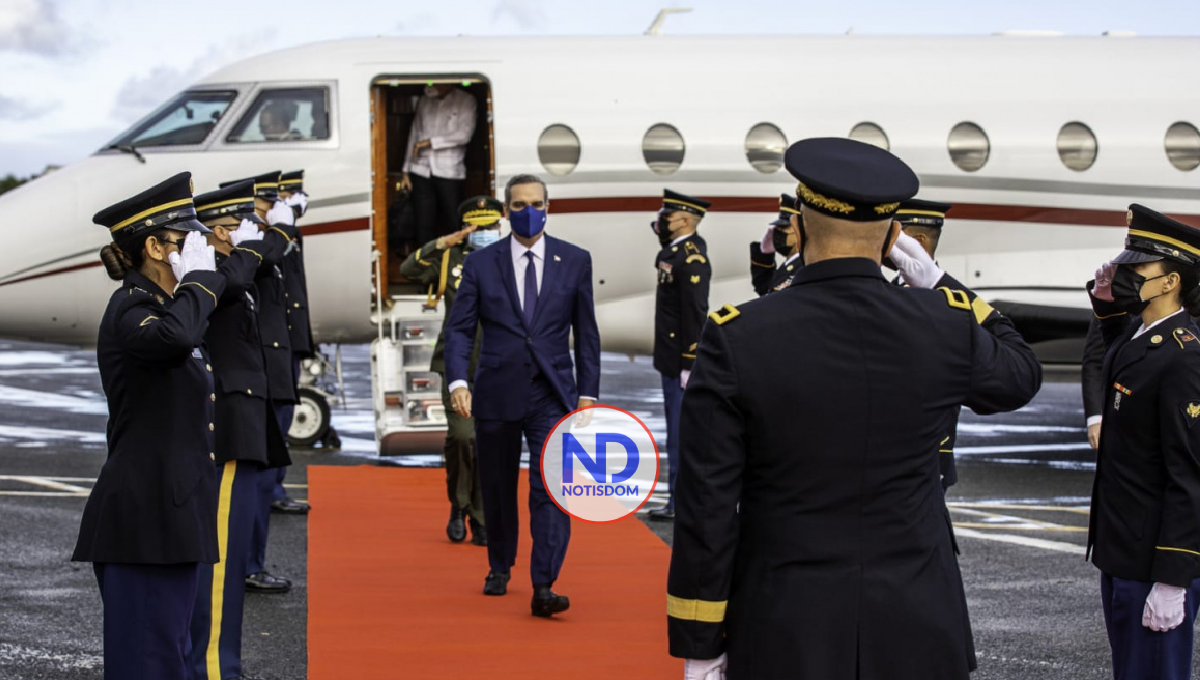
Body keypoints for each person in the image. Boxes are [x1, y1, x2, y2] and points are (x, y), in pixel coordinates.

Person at [666, 138, 1042, 680]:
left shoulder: (737, 336)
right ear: (893, 236)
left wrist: (700, 643)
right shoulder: (946, 324)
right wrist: (941, 283)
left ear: (799, 226)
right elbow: (1019, 374)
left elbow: (707, 505)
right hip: (919, 622)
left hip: (786, 624)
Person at [73, 172, 227, 680]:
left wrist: (199, 287)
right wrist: (199, 283)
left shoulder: (168, 309)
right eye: (185, 241)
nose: (198, 251)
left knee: (169, 658)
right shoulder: (132, 308)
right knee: (148, 664)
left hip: (172, 518)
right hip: (144, 522)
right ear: (155, 248)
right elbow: (174, 341)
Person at [444, 174, 600, 617]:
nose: (527, 211)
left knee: (551, 488)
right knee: (496, 485)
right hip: (497, 390)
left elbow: (586, 331)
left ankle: (544, 584)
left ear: (548, 207)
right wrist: (458, 382)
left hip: (553, 392)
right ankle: (499, 564)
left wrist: (588, 393)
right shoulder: (481, 263)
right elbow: (459, 330)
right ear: (506, 210)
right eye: (518, 205)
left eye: (535, 203)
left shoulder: (575, 260)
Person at [1086, 204, 1200, 680]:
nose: (1125, 274)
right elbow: (1120, 353)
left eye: (1138, 268)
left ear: (1170, 281)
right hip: (1123, 550)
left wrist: (1174, 577)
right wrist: (1107, 308)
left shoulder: (1184, 357)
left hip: (1153, 560)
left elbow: (1189, 474)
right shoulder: (1142, 333)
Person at [187, 180, 295, 680]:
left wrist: (251, 246)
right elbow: (233, 280)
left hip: (244, 423)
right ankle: (213, 667)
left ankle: (216, 661)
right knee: (220, 563)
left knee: (226, 566)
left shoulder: (230, 269)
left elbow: (263, 261)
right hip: (229, 427)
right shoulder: (212, 275)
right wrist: (246, 250)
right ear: (211, 233)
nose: (245, 235)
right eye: (233, 227)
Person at [401, 196, 503, 546]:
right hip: (457, 361)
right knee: (463, 437)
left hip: (498, 362)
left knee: (488, 442)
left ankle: (481, 517)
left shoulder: (509, 257)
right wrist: (444, 243)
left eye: (491, 226)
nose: (486, 232)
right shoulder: (451, 259)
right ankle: (459, 506)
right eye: (478, 227)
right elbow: (409, 269)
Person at [220, 171, 296, 594]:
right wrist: (281, 231)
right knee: (248, 489)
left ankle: (250, 562)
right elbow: (265, 258)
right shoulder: (243, 257)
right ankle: (246, 564)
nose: (260, 218)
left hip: (269, 374)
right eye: (260, 208)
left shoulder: (252, 251)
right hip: (253, 381)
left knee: (258, 486)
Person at [648, 189, 711, 521]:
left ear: (686, 220)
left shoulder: (692, 258)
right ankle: (676, 498)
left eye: (668, 216)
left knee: (679, 433)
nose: (662, 221)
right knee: (674, 431)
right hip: (669, 357)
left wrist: (690, 361)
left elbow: (695, 313)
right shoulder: (675, 252)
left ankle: (680, 501)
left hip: (679, 361)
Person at [893, 199, 961, 491]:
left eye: (895, 234)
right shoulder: (886, 291)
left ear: (919, 241)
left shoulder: (950, 304)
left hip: (928, 452)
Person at [271, 169, 316, 514]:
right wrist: (284, 226)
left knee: (283, 415)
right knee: (276, 418)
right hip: (276, 342)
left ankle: (274, 486)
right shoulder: (272, 235)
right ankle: (271, 488)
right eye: (289, 196)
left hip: (288, 340)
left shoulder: (289, 232)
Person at [398, 84, 478, 245]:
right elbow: (414, 134)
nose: (432, 84)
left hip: (449, 171)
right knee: (422, 223)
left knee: (453, 220)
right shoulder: (424, 100)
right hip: (421, 169)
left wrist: (431, 142)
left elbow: (465, 134)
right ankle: (426, 259)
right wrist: (405, 171)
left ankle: (456, 259)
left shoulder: (466, 100)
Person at [749, 193, 802, 296]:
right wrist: (764, 253)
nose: (779, 232)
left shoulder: (803, 266)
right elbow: (762, 287)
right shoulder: (787, 265)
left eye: (784, 227)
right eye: (777, 227)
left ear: (799, 230)